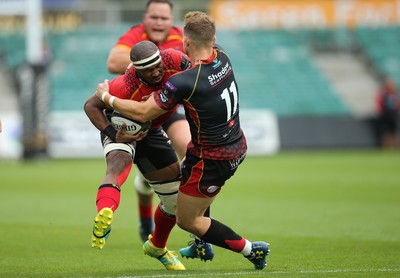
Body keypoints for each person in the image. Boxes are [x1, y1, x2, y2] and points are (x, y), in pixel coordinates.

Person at [95, 11, 270, 270]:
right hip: (235, 145)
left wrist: (107, 98)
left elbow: (144, 112)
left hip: (211, 158)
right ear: (213, 40)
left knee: (187, 219)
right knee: (177, 193)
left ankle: (251, 249)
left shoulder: (184, 81)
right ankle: (164, 245)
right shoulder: (223, 56)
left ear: (186, 42)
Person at [85, 43, 205, 270]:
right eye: (148, 70)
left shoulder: (176, 61)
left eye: (158, 66)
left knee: (174, 200)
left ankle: (158, 247)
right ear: (136, 71)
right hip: (120, 127)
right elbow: (90, 105)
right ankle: (105, 211)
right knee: (116, 166)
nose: (157, 72)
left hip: (151, 131)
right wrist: (113, 134)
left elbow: (197, 81)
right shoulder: (122, 85)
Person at [107, 0, 192, 242]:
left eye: (164, 18)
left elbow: (202, 61)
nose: (158, 22)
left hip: (170, 110)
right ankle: (145, 220)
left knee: (190, 155)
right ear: (145, 17)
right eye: (154, 17)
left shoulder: (181, 37)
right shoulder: (135, 34)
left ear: (171, 19)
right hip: (141, 109)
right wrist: (156, 61)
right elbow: (113, 62)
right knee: (147, 180)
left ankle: (198, 232)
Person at [375, 76, 400, 149]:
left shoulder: (395, 94)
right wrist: (381, 111)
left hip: (393, 114)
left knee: (394, 130)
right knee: (386, 131)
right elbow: (379, 103)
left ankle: (395, 145)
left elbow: (397, 104)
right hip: (386, 114)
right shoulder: (383, 94)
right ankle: (386, 146)